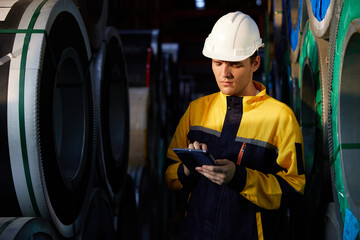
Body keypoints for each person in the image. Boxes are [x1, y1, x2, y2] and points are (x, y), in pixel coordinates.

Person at [165, 11, 305, 239]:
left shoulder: (280, 117)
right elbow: (168, 177)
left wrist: (240, 178)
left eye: (235, 65)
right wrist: (188, 169)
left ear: (255, 62)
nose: (224, 73)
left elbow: (294, 190)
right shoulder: (197, 110)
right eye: (217, 63)